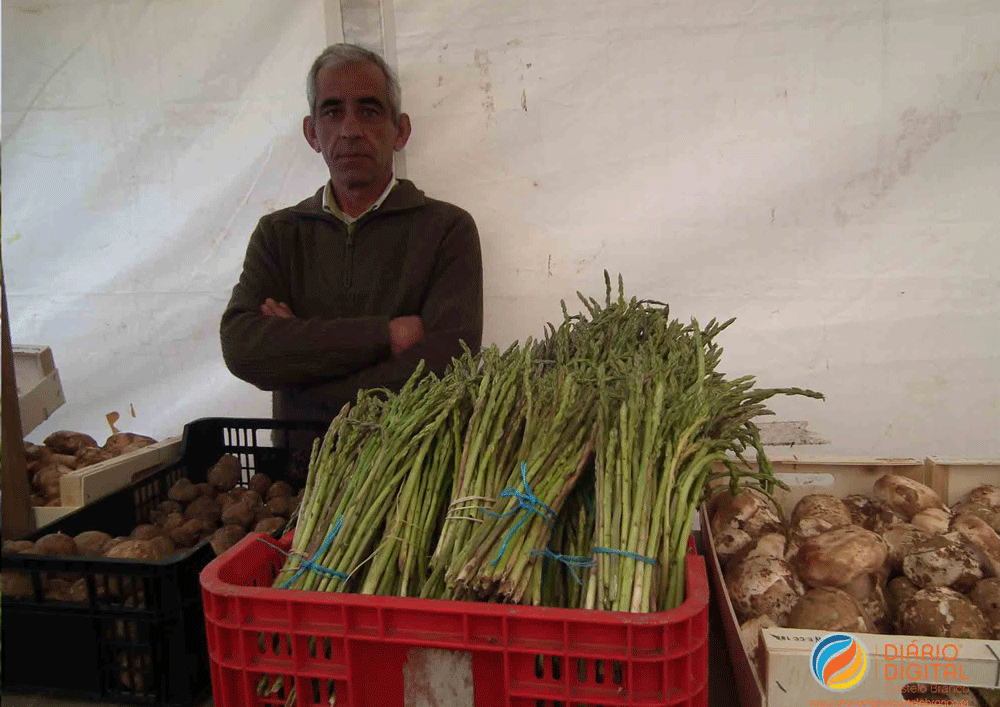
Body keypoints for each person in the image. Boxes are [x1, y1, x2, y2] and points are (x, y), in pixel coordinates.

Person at [220, 44, 483, 434]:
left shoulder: (448, 230)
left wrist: (301, 378)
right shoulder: (278, 234)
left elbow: (446, 365)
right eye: (332, 112)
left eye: (369, 111)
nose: (350, 130)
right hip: (301, 465)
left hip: (412, 462)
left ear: (400, 131)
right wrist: (385, 335)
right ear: (312, 133)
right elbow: (242, 348)